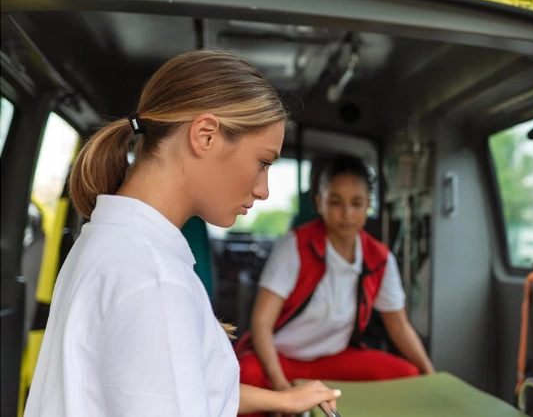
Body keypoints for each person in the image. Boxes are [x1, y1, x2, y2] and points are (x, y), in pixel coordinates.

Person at [24, 50, 340, 417]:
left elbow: (168, 387)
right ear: (205, 136)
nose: (263, 189)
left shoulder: (112, 241)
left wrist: (281, 400)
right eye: (263, 163)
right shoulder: (154, 277)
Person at [235, 154, 434, 405]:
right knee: (245, 377)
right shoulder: (295, 246)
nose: (347, 214)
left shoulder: (379, 258)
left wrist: (430, 374)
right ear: (319, 203)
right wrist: (279, 384)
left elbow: (399, 327)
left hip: (334, 359)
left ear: (368, 205)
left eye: (356, 203)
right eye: (336, 202)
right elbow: (261, 322)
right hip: (280, 359)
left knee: (408, 375)